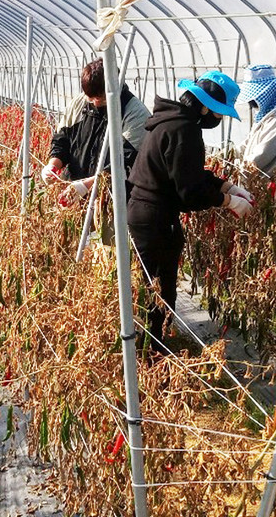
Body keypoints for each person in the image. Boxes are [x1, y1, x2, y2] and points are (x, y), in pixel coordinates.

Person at [127, 71, 254, 346]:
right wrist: (229, 202)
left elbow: (185, 174)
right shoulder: (185, 131)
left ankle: (146, 345)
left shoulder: (170, 121)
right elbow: (189, 192)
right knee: (160, 288)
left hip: (144, 210)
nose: (219, 119)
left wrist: (226, 186)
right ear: (205, 107)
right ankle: (149, 350)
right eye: (220, 113)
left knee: (150, 282)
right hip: (156, 216)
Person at [42, 58, 149, 204]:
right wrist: (53, 165)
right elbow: (63, 138)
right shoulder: (80, 102)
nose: (92, 102)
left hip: (110, 201)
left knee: (102, 226)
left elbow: (124, 162)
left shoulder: (134, 113)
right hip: (72, 191)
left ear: (111, 89)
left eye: (97, 98)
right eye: (89, 97)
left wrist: (86, 186)